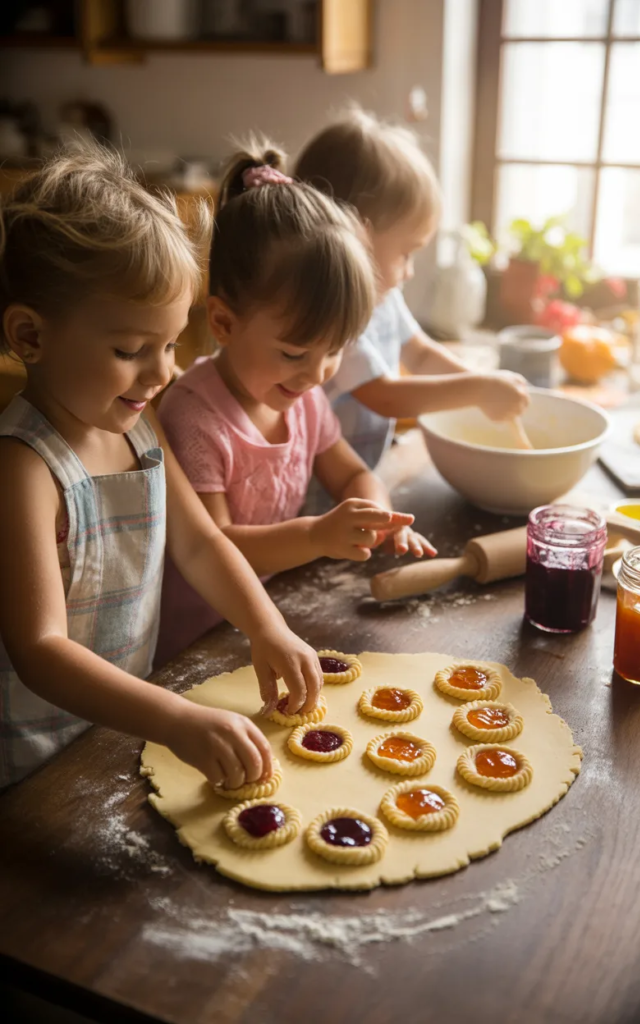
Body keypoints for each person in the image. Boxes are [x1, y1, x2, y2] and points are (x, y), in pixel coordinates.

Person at [0, 142, 324, 791]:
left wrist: (268, 628)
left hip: (118, 734)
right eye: (130, 349)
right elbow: (40, 651)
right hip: (35, 768)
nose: (164, 371)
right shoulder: (24, 469)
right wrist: (175, 718)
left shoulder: (141, 429)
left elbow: (203, 545)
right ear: (30, 337)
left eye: (172, 343)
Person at [156, 139, 435, 665]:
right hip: (199, 646)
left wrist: (377, 513)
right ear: (223, 323)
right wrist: (317, 535)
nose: (317, 374)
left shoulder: (301, 398)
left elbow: (351, 476)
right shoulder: (194, 418)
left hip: (275, 621)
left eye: (335, 351)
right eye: (294, 352)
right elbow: (216, 547)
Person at [295, 107, 529, 474]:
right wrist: (478, 391)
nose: (410, 271)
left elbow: (419, 354)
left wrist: (480, 382)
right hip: (320, 481)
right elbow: (384, 395)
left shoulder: (385, 297)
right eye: (406, 253)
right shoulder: (334, 314)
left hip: (365, 468)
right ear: (357, 237)